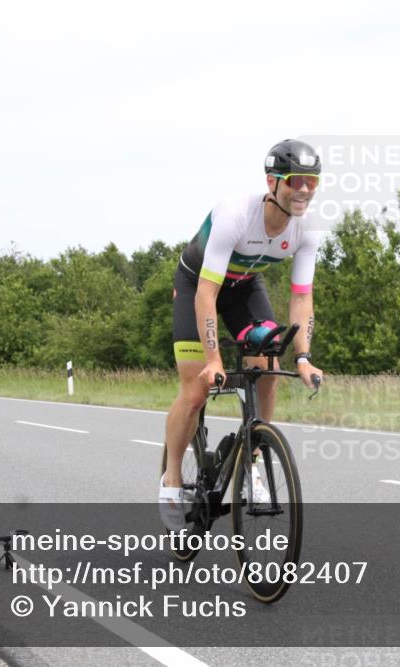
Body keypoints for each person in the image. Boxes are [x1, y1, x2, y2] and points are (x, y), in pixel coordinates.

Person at [159, 139, 324, 530]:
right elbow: (206, 293)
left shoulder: (308, 229)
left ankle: (252, 460)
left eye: (312, 183)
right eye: (295, 181)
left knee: (268, 363)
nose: (303, 190)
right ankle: (170, 480)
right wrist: (214, 359)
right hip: (198, 284)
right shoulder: (236, 213)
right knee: (197, 389)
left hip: (245, 287)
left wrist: (303, 357)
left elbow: (302, 300)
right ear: (272, 182)